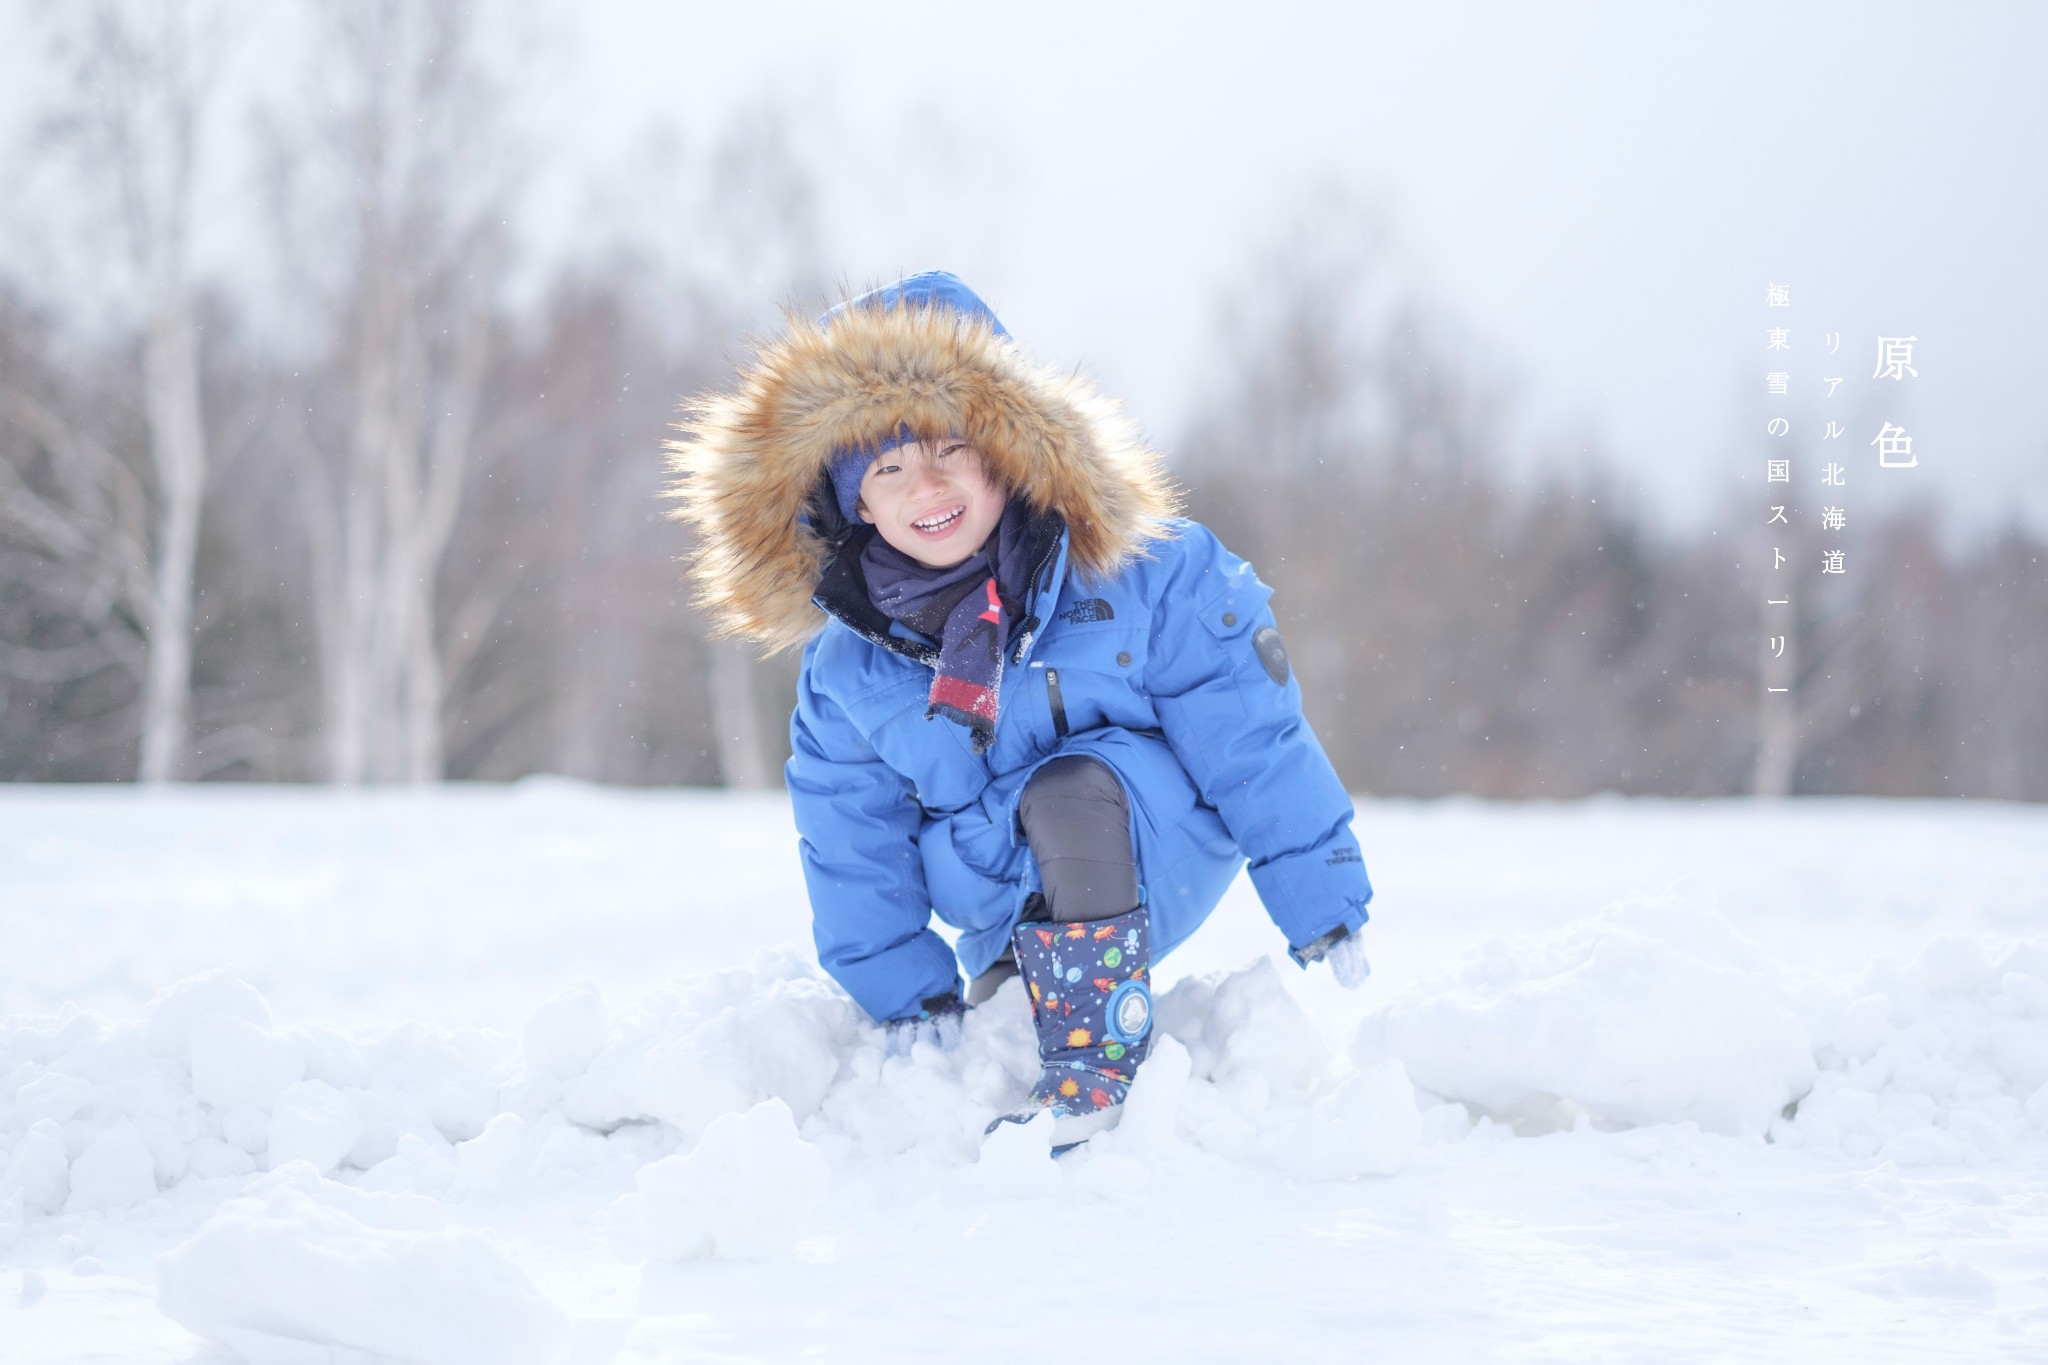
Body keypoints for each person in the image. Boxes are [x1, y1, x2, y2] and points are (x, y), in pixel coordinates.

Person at [667, 272, 1373, 1148]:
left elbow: (1248, 733)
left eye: (946, 451)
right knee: (1011, 850)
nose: (924, 488)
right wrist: (906, 992)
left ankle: (1094, 1061)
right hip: (1000, 887)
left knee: (1071, 784)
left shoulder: (1140, 571)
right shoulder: (851, 668)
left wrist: (1319, 893)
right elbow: (850, 837)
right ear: (853, 505)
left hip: (1161, 842)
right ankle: (1024, 978)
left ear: (1004, 448)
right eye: (886, 469)